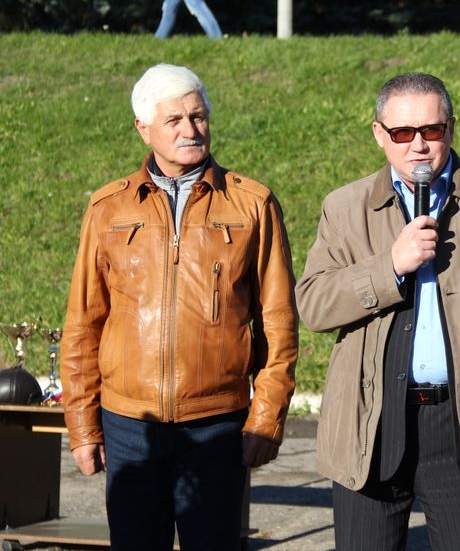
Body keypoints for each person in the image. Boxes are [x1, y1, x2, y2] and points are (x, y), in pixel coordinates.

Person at [296, 73, 460, 550]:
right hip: (369, 425)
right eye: (402, 133)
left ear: (451, 129)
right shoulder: (344, 207)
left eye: (431, 131)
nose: (417, 145)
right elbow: (313, 304)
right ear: (380, 134)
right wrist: (390, 266)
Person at [60, 63, 298, 550]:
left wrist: (266, 417)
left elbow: (277, 323)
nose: (191, 130)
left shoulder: (252, 204)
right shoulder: (108, 208)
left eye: (199, 116)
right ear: (143, 128)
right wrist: (83, 427)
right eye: (175, 120)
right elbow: (83, 323)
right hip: (129, 426)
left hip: (217, 426)